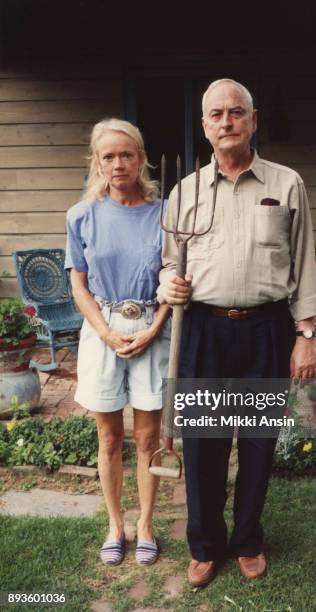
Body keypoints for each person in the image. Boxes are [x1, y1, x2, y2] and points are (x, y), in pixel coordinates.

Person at [157, 79, 316, 586]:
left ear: (253, 119)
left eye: (236, 112)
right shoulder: (184, 192)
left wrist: (306, 333)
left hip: (266, 331)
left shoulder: (286, 183)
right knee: (203, 441)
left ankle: (248, 540)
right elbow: (166, 264)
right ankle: (206, 545)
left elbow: (303, 262)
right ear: (204, 126)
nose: (226, 122)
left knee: (257, 441)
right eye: (216, 115)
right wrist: (169, 282)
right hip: (203, 331)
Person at [65, 118, 171, 567]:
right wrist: (107, 332)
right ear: (97, 162)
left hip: (152, 322)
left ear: (141, 158)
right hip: (102, 326)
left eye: (127, 154)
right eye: (108, 156)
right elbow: (79, 284)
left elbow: (175, 277)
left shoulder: (165, 212)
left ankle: (146, 524)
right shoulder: (80, 215)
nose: (118, 163)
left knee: (148, 438)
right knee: (108, 438)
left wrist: (154, 326)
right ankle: (116, 525)